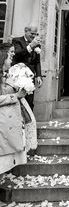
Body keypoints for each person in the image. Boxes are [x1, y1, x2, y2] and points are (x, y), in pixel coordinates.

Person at [0, 43, 27, 174]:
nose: (12, 55)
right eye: (9, 53)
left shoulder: (7, 74)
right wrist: (15, 96)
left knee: (5, 164)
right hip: (2, 125)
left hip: (10, 123)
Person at [12, 25, 42, 111]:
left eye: (35, 34)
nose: (34, 36)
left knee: (30, 101)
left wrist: (38, 75)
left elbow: (37, 61)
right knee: (19, 100)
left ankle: (30, 123)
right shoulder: (17, 41)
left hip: (30, 76)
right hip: (18, 76)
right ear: (25, 31)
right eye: (32, 33)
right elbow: (18, 54)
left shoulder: (37, 45)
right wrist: (30, 46)